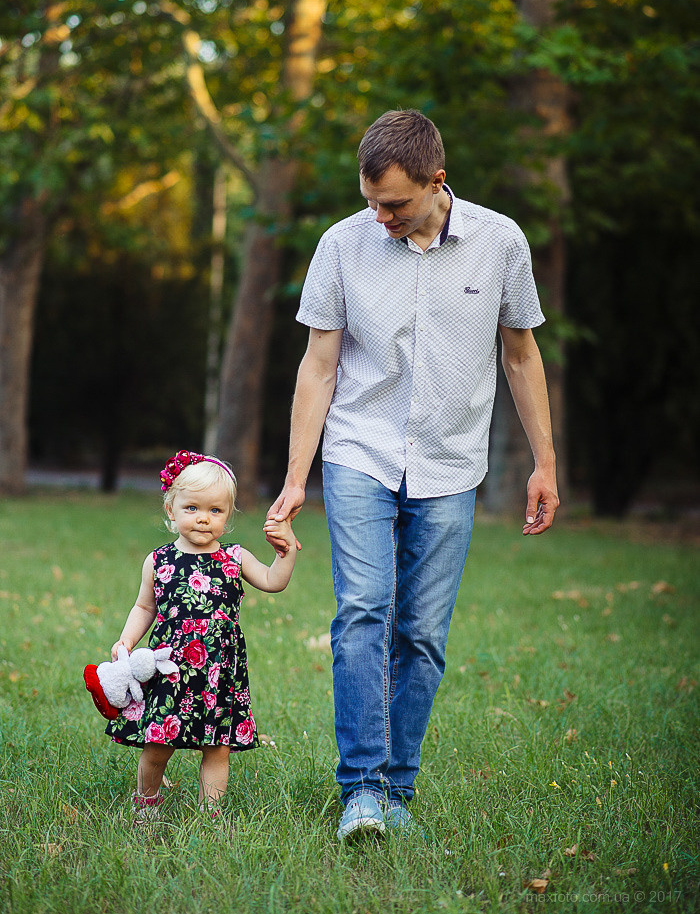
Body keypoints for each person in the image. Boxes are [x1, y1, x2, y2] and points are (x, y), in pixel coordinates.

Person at [267, 109, 559, 840]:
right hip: (359, 451)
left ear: (438, 180)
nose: (381, 217)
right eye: (371, 201)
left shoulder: (500, 243)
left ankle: (400, 788)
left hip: (452, 461)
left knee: (423, 632)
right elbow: (319, 364)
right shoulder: (343, 244)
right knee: (362, 610)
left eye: (394, 204)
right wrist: (297, 476)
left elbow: (521, 356)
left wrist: (545, 463)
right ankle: (361, 788)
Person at [105, 449, 297, 820]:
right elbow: (144, 607)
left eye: (215, 511)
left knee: (217, 747)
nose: (203, 519)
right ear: (171, 509)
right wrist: (127, 639)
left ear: (228, 515)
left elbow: (274, 582)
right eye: (192, 508)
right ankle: (146, 802)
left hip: (218, 671)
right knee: (158, 742)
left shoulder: (235, 558)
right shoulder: (158, 561)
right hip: (170, 669)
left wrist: (284, 552)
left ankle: (210, 816)